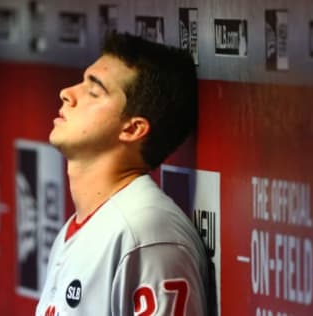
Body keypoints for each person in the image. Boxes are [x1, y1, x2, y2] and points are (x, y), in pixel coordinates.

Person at [36, 32, 210, 316]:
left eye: (94, 91)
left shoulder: (145, 231)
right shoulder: (80, 227)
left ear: (132, 128)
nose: (67, 93)